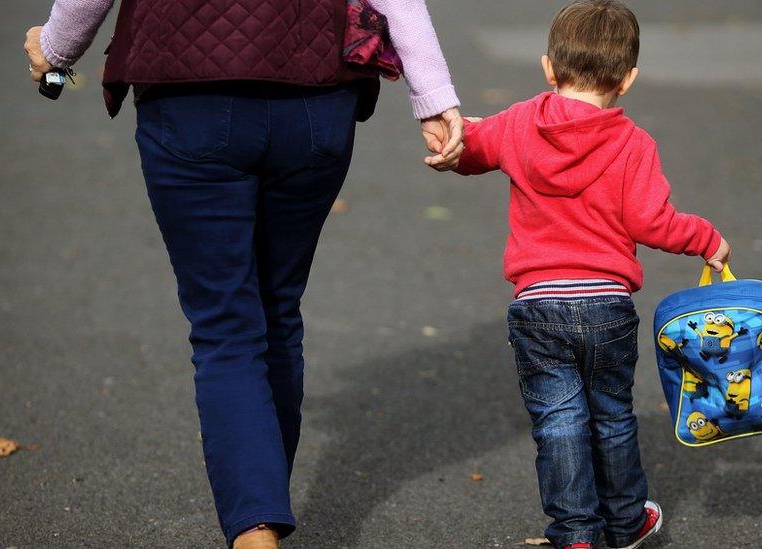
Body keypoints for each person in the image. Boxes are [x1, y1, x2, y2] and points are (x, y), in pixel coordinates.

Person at [23, 1, 463, 547]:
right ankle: (261, 514)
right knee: (277, 308)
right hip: (315, 95)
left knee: (225, 324)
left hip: (188, 91)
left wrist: (58, 46)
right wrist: (434, 98)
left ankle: (255, 530)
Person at [449, 1, 731, 548]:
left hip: (537, 303)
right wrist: (707, 239)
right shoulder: (633, 144)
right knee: (611, 417)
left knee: (557, 424)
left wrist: (451, 138)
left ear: (549, 69)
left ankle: (575, 533)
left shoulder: (518, 123)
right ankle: (626, 521)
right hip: (607, 305)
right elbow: (652, 222)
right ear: (628, 80)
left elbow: (471, 149)